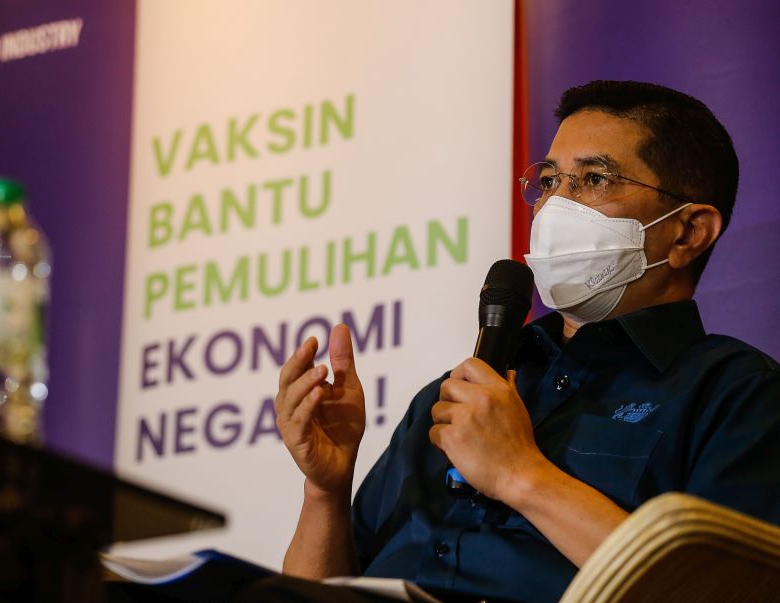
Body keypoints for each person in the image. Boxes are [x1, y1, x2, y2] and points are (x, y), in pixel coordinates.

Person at [270, 81, 780, 603]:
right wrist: (325, 493)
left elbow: (726, 592)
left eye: (594, 179)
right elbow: (313, 596)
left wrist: (520, 474)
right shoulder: (458, 397)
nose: (554, 206)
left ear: (688, 232)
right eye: (551, 180)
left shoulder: (736, 395)